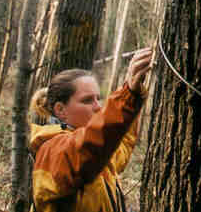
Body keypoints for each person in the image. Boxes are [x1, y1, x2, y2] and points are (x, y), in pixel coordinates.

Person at [29, 47, 153, 212]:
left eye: (98, 98)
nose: (98, 107)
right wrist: (126, 97)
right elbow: (89, 146)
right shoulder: (53, 151)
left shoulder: (97, 153)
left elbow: (119, 146)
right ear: (60, 110)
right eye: (87, 100)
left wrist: (133, 93)